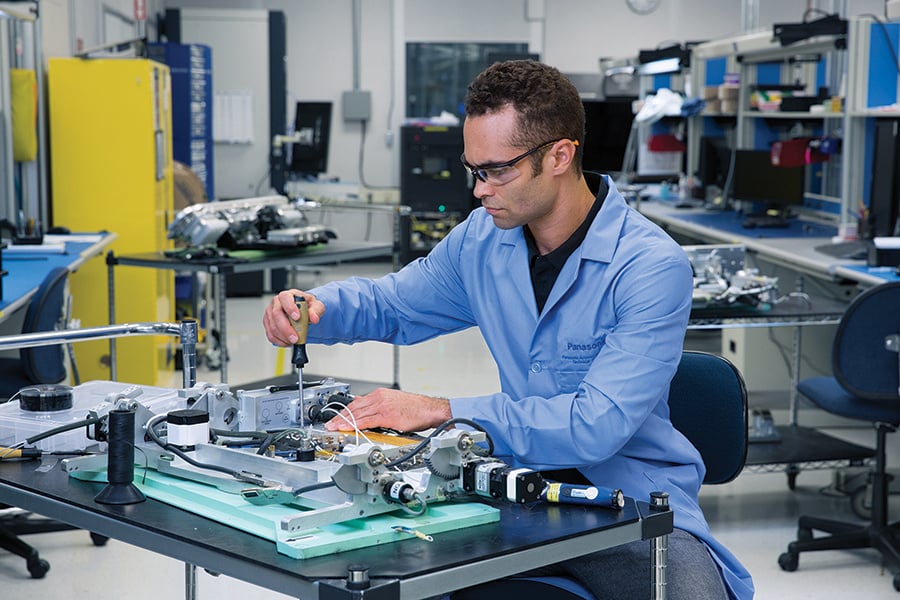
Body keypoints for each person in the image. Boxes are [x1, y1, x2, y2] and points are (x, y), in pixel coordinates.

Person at [263, 59, 753, 600]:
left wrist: (447, 410)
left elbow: (597, 425)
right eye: (474, 169)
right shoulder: (483, 240)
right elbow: (396, 304)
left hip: (630, 503)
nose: (479, 190)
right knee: (383, 577)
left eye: (496, 170)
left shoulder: (648, 266)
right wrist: (316, 308)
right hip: (513, 490)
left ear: (560, 156)